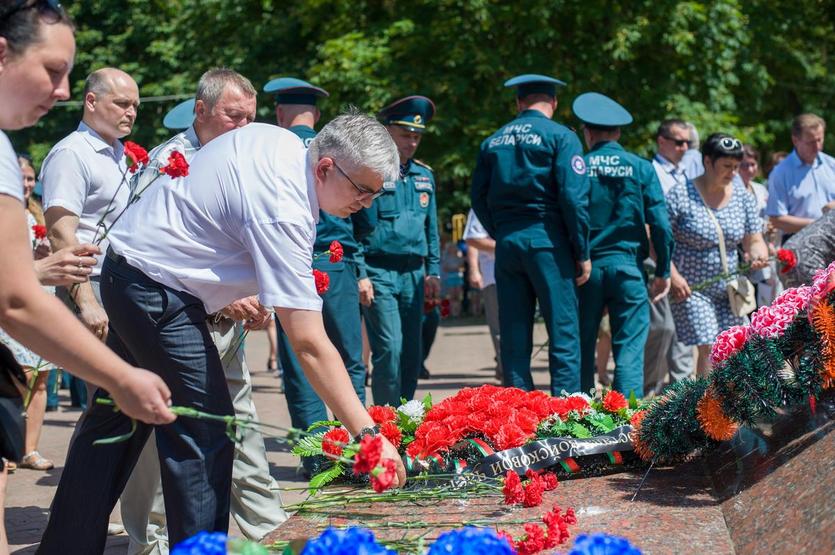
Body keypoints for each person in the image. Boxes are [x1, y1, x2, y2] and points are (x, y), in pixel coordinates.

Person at [39, 112, 406, 553]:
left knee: (114, 424)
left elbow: (212, 216)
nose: (365, 203)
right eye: (362, 190)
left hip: (133, 272)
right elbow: (308, 342)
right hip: (156, 290)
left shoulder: (284, 143)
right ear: (326, 167)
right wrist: (367, 434)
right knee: (206, 434)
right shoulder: (285, 206)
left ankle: (66, 546)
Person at [0, 4, 174, 553]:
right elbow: (50, 253)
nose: (61, 89)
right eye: (53, 70)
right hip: (95, 295)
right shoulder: (66, 154)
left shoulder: (122, 157)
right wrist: (117, 368)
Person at [121, 68, 286, 555]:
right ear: (201, 110)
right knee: (159, 440)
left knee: (243, 430)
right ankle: (148, 542)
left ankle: (272, 536)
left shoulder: (246, 159)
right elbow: (141, 251)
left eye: (251, 118)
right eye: (235, 116)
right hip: (169, 323)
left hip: (225, 329)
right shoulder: (168, 161)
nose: (244, 127)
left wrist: (261, 296)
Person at [265, 76, 372, 471]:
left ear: (279, 114)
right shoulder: (336, 151)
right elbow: (366, 212)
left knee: (300, 358)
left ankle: (314, 457)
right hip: (336, 260)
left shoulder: (278, 150)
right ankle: (358, 450)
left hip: (289, 262)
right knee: (348, 357)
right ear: (320, 115)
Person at [471, 74, 590, 395]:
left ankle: (520, 414)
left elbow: (478, 198)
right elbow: (573, 198)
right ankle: (565, 415)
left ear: (518, 103)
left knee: (514, 335)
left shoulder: (493, 141)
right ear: (553, 102)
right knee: (564, 333)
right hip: (549, 243)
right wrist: (581, 250)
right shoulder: (562, 138)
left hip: (508, 244)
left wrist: (502, 231)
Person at [40, 66, 139, 408]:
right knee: (108, 403)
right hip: (91, 284)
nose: (131, 112)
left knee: (122, 402)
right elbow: (60, 232)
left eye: (135, 106)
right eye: (123, 103)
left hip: (119, 284)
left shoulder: (119, 155)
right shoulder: (72, 153)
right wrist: (85, 301)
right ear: (91, 101)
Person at [572, 92, 674, 398]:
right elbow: (661, 225)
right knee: (629, 350)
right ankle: (625, 426)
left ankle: (578, 420)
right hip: (628, 268)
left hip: (586, 270)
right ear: (617, 132)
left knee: (581, 346)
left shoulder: (578, 166)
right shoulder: (641, 168)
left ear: (587, 133)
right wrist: (663, 270)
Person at [360, 95, 441, 406]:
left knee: (411, 352)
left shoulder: (424, 175)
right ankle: (386, 421)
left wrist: (433, 270)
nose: (412, 142)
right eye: (405, 135)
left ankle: (406, 419)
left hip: (414, 274)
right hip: (379, 270)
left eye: (417, 137)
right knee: (389, 349)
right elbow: (358, 227)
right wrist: (362, 274)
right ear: (387, 131)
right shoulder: (373, 172)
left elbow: (431, 228)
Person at [667, 133, 769, 375]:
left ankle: (728, 404)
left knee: (735, 345)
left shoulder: (742, 195)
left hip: (731, 289)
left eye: (736, 167)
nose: (733, 173)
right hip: (692, 288)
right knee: (712, 346)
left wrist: (757, 254)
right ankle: (707, 407)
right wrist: (672, 276)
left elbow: (754, 238)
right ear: (707, 162)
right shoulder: (681, 194)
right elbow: (657, 239)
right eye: (726, 166)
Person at [644, 118, 696, 395]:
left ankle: (682, 401)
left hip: (686, 265)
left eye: (688, 142)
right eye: (678, 142)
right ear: (661, 141)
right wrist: (668, 271)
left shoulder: (687, 174)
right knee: (660, 332)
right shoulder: (650, 172)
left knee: (683, 338)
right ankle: (645, 398)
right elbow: (651, 226)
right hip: (659, 262)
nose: (684, 147)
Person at [766, 113, 835, 237]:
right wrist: (818, 224)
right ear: (795, 140)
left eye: (819, 140)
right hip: (799, 242)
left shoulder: (832, 165)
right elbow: (776, 219)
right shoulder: (780, 173)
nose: (817, 147)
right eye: (810, 142)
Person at [739, 144, 781, 308]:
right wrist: (764, 226)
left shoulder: (760, 189)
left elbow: (770, 216)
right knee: (745, 303)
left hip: (762, 251)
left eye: (753, 164)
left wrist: (771, 230)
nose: (749, 169)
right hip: (742, 253)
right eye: (744, 165)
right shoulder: (731, 191)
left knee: (764, 299)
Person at [463, 209, 502, 382]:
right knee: (499, 329)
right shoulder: (483, 201)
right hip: (493, 276)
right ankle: (506, 370)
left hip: (522, 276)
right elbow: (473, 239)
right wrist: (474, 270)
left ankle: (506, 367)